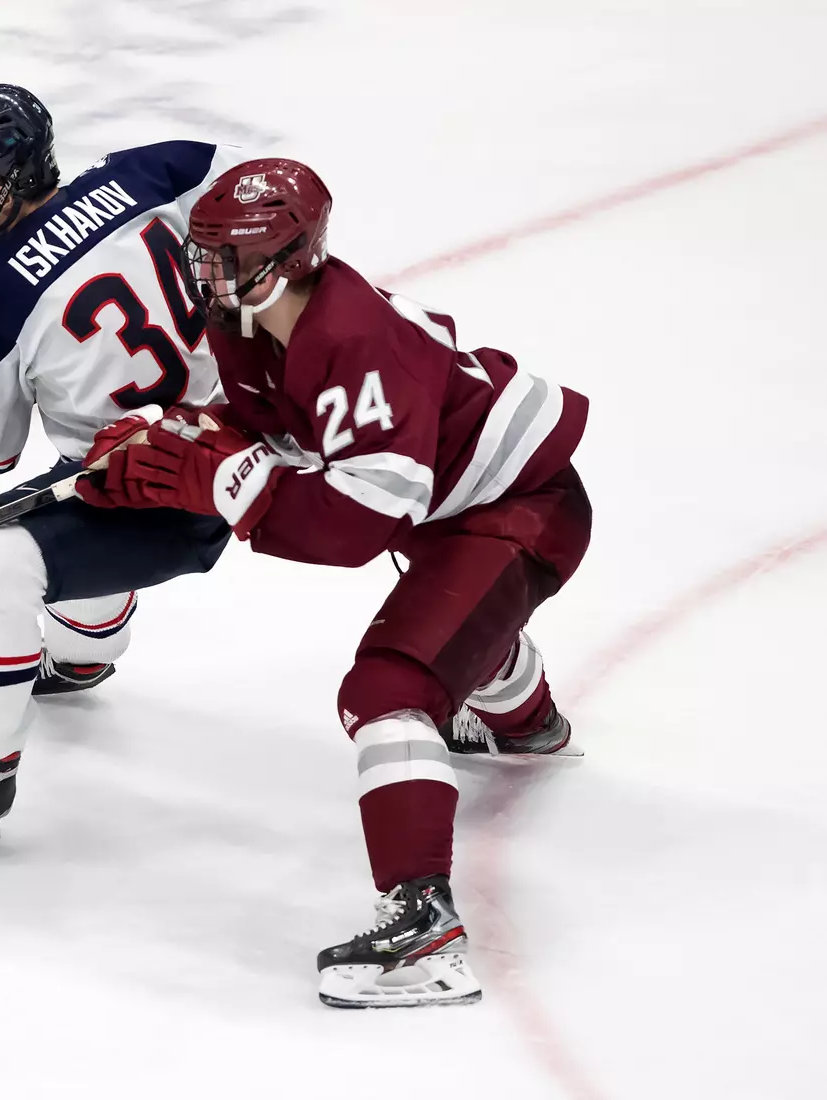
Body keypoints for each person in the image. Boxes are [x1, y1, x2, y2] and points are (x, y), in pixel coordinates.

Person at [78, 158, 591, 1007]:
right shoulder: (246, 325)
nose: (210, 274)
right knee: (451, 627)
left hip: (517, 512)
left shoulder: (356, 344)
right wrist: (158, 441)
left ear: (291, 257)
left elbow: (358, 525)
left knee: (386, 691)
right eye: (203, 254)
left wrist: (212, 479)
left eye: (229, 258)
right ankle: (528, 724)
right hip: (454, 512)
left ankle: (426, 932)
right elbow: (260, 426)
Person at [0, 84, 245, 858]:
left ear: (8, 178)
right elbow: (244, 199)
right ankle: (81, 659)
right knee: (68, 487)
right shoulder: (151, 175)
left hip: (150, 498)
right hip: (251, 443)